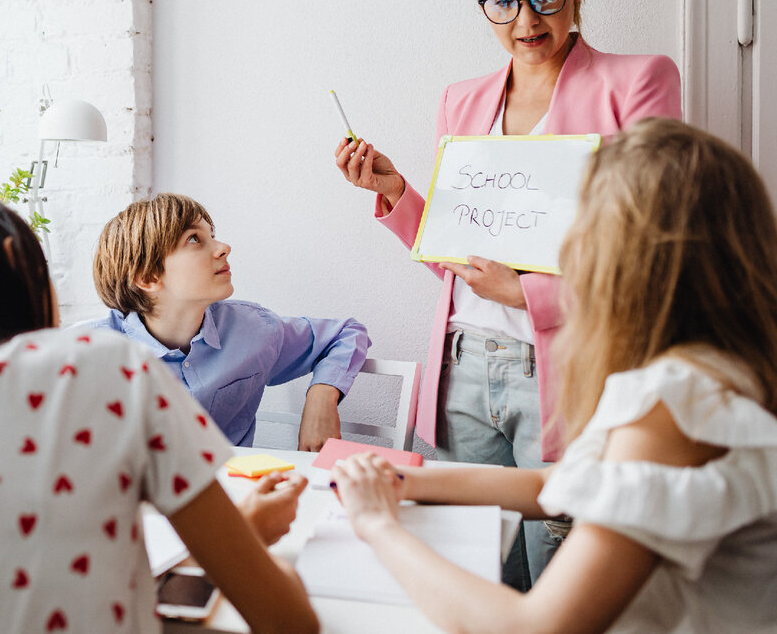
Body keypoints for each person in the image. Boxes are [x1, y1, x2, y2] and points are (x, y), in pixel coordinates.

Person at [333, 0, 681, 586]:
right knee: (478, 567)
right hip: (463, 365)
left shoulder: (636, 83)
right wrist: (398, 191)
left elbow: (655, 249)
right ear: (482, 4)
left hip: (570, 366)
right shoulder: (462, 101)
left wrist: (531, 293)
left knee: (563, 570)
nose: (527, 20)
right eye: (503, 1)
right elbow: (464, 257)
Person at [331, 118, 777, 634]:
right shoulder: (717, 366)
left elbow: (533, 625)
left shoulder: (674, 400)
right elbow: (558, 484)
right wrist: (404, 480)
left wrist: (377, 524)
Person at [0, 187, 319, 634]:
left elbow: (10, 561)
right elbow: (284, 620)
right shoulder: (111, 367)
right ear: (20, 261)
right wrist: (249, 541)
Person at [85, 193, 370, 451]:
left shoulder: (253, 329)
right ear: (148, 277)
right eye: (194, 239)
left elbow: (345, 333)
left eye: (213, 235)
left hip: (237, 497)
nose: (224, 247)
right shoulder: (87, 355)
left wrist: (321, 397)